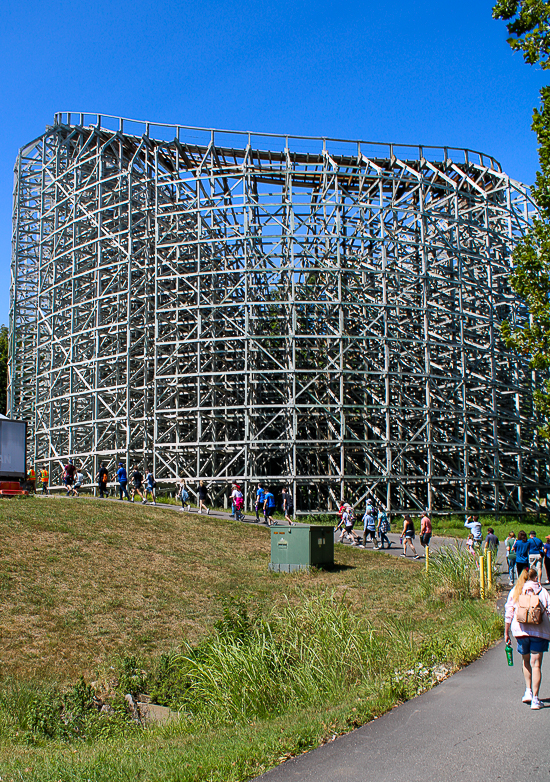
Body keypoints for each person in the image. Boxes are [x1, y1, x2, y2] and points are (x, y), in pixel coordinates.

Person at [504, 567, 550, 710]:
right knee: (536, 664)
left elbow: (509, 612)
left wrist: (506, 633)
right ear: (536, 577)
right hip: (539, 632)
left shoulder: (516, 591)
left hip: (521, 632)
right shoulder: (543, 592)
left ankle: (528, 692)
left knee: (526, 662)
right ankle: (536, 699)